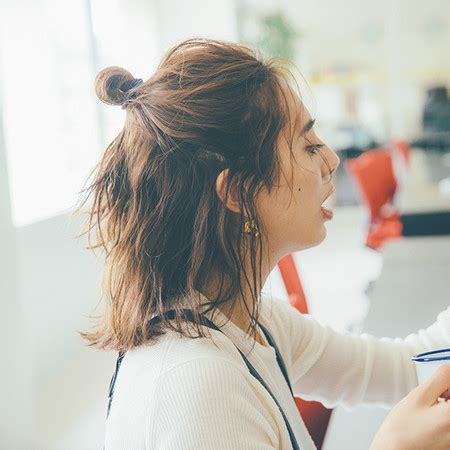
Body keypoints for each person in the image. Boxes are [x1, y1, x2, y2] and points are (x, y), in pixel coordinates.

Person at [76, 38, 450, 449]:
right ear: (237, 192)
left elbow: (407, 366)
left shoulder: (252, 320)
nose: (331, 160)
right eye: (308, 146)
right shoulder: (196, 385)